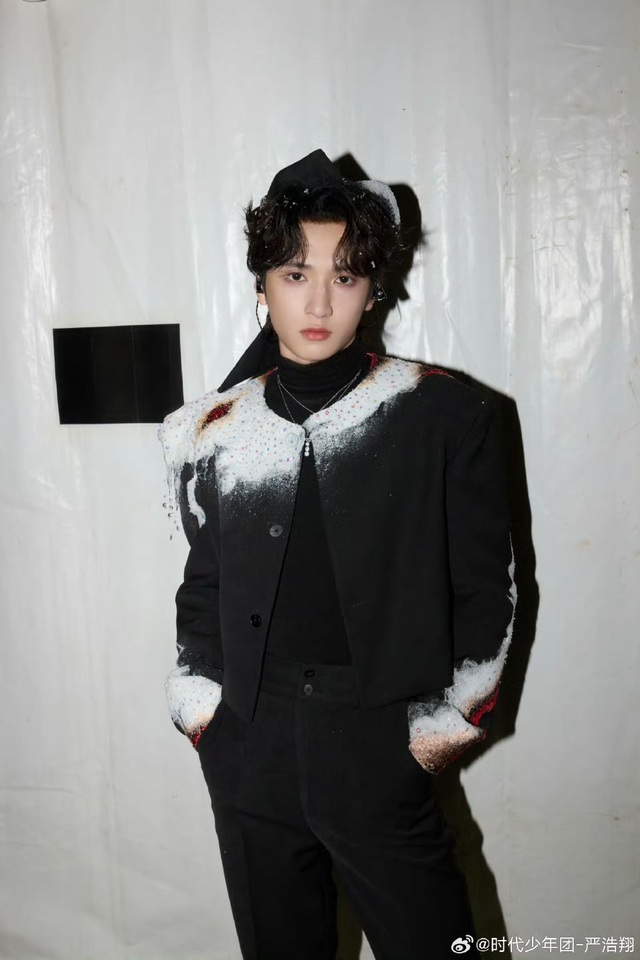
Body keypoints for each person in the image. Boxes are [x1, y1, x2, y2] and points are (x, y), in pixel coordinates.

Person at [159, 149, 516, 960]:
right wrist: (205, 715)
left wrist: (439, 731)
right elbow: (201, 588)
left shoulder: (443, 415)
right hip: (249, 745)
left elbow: (488, 593)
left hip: (380, 742)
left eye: (344, 276)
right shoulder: (205, 431)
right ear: (262, 286)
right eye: (295, 274)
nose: (318, 301)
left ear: (372, 289)